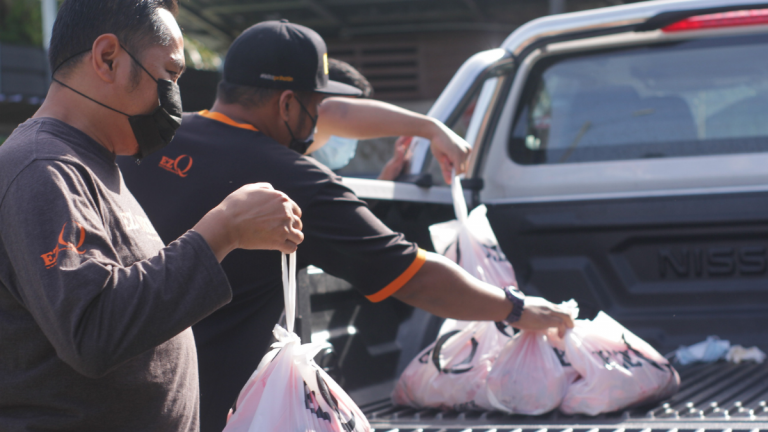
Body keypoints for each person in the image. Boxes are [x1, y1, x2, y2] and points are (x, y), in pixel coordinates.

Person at [118, 20, 574, 432]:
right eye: (316, 104)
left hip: (116, 391)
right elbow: (415, 277)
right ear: (288, 104)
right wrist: (515, 308)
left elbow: (338, 116)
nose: (321, 118)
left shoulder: (148, 138)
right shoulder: (295, 179)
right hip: (210, 411)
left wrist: (429, 128)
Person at [0, 2, 303, 431]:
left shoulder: (92, 162)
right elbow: (94, 331)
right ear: (108, 58)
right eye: (170, 74)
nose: (174, 98)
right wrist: (223, 230)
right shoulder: (42, 168)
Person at [309, 58, 414, 180]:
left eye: (354, 119)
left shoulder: (327, 174)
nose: (346, 128)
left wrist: (384, 182)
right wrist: (427, 129)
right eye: (343, 115)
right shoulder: (290, 168)